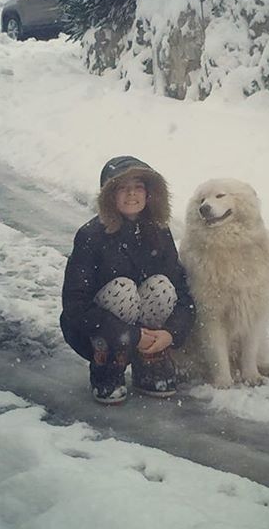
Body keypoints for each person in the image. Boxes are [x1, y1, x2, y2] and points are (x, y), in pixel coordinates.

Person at [60, 156, 196, 405]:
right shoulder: (91, 236)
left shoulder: (159, 230)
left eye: (138, 187)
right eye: (122, 187)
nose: (131, 194)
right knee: (123, 289)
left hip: (143, 330)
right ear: (109, 195)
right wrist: (130, 335)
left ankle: (150, 361)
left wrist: (170, 334)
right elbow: (75, 306)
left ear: (149, 193)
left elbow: (181, 291)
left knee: (161, 287)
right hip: (95, 333)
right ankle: (109, 366)